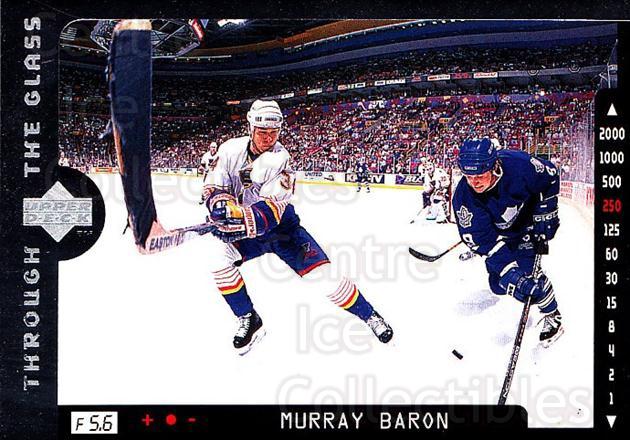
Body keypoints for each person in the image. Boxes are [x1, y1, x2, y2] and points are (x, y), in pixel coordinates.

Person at [203, 99, 393, 355]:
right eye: (262, 132)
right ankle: (248, 317)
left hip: (282, 231)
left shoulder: (280, 159)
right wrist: (220, 204)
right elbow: (213, 187)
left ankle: (370, 315)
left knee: (326, 278)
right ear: (250, 128)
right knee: (217, 259)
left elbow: (270, 212)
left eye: (273, 132)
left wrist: (234, 218)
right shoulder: (229, 150)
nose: (268, 138)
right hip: (247, 231)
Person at [452, 138, 563, 347]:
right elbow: (486, 244)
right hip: (501, 234)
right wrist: (512, 276)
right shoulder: (463, 199)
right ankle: (519, 280)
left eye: (479, 175)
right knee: (499, 284)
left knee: (529, 275)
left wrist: (547, 210)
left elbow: (550, 176)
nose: (474, 182)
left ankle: (552, 314)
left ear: (494, 166)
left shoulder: (519, 164)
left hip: (529, 223)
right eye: (468, 176)